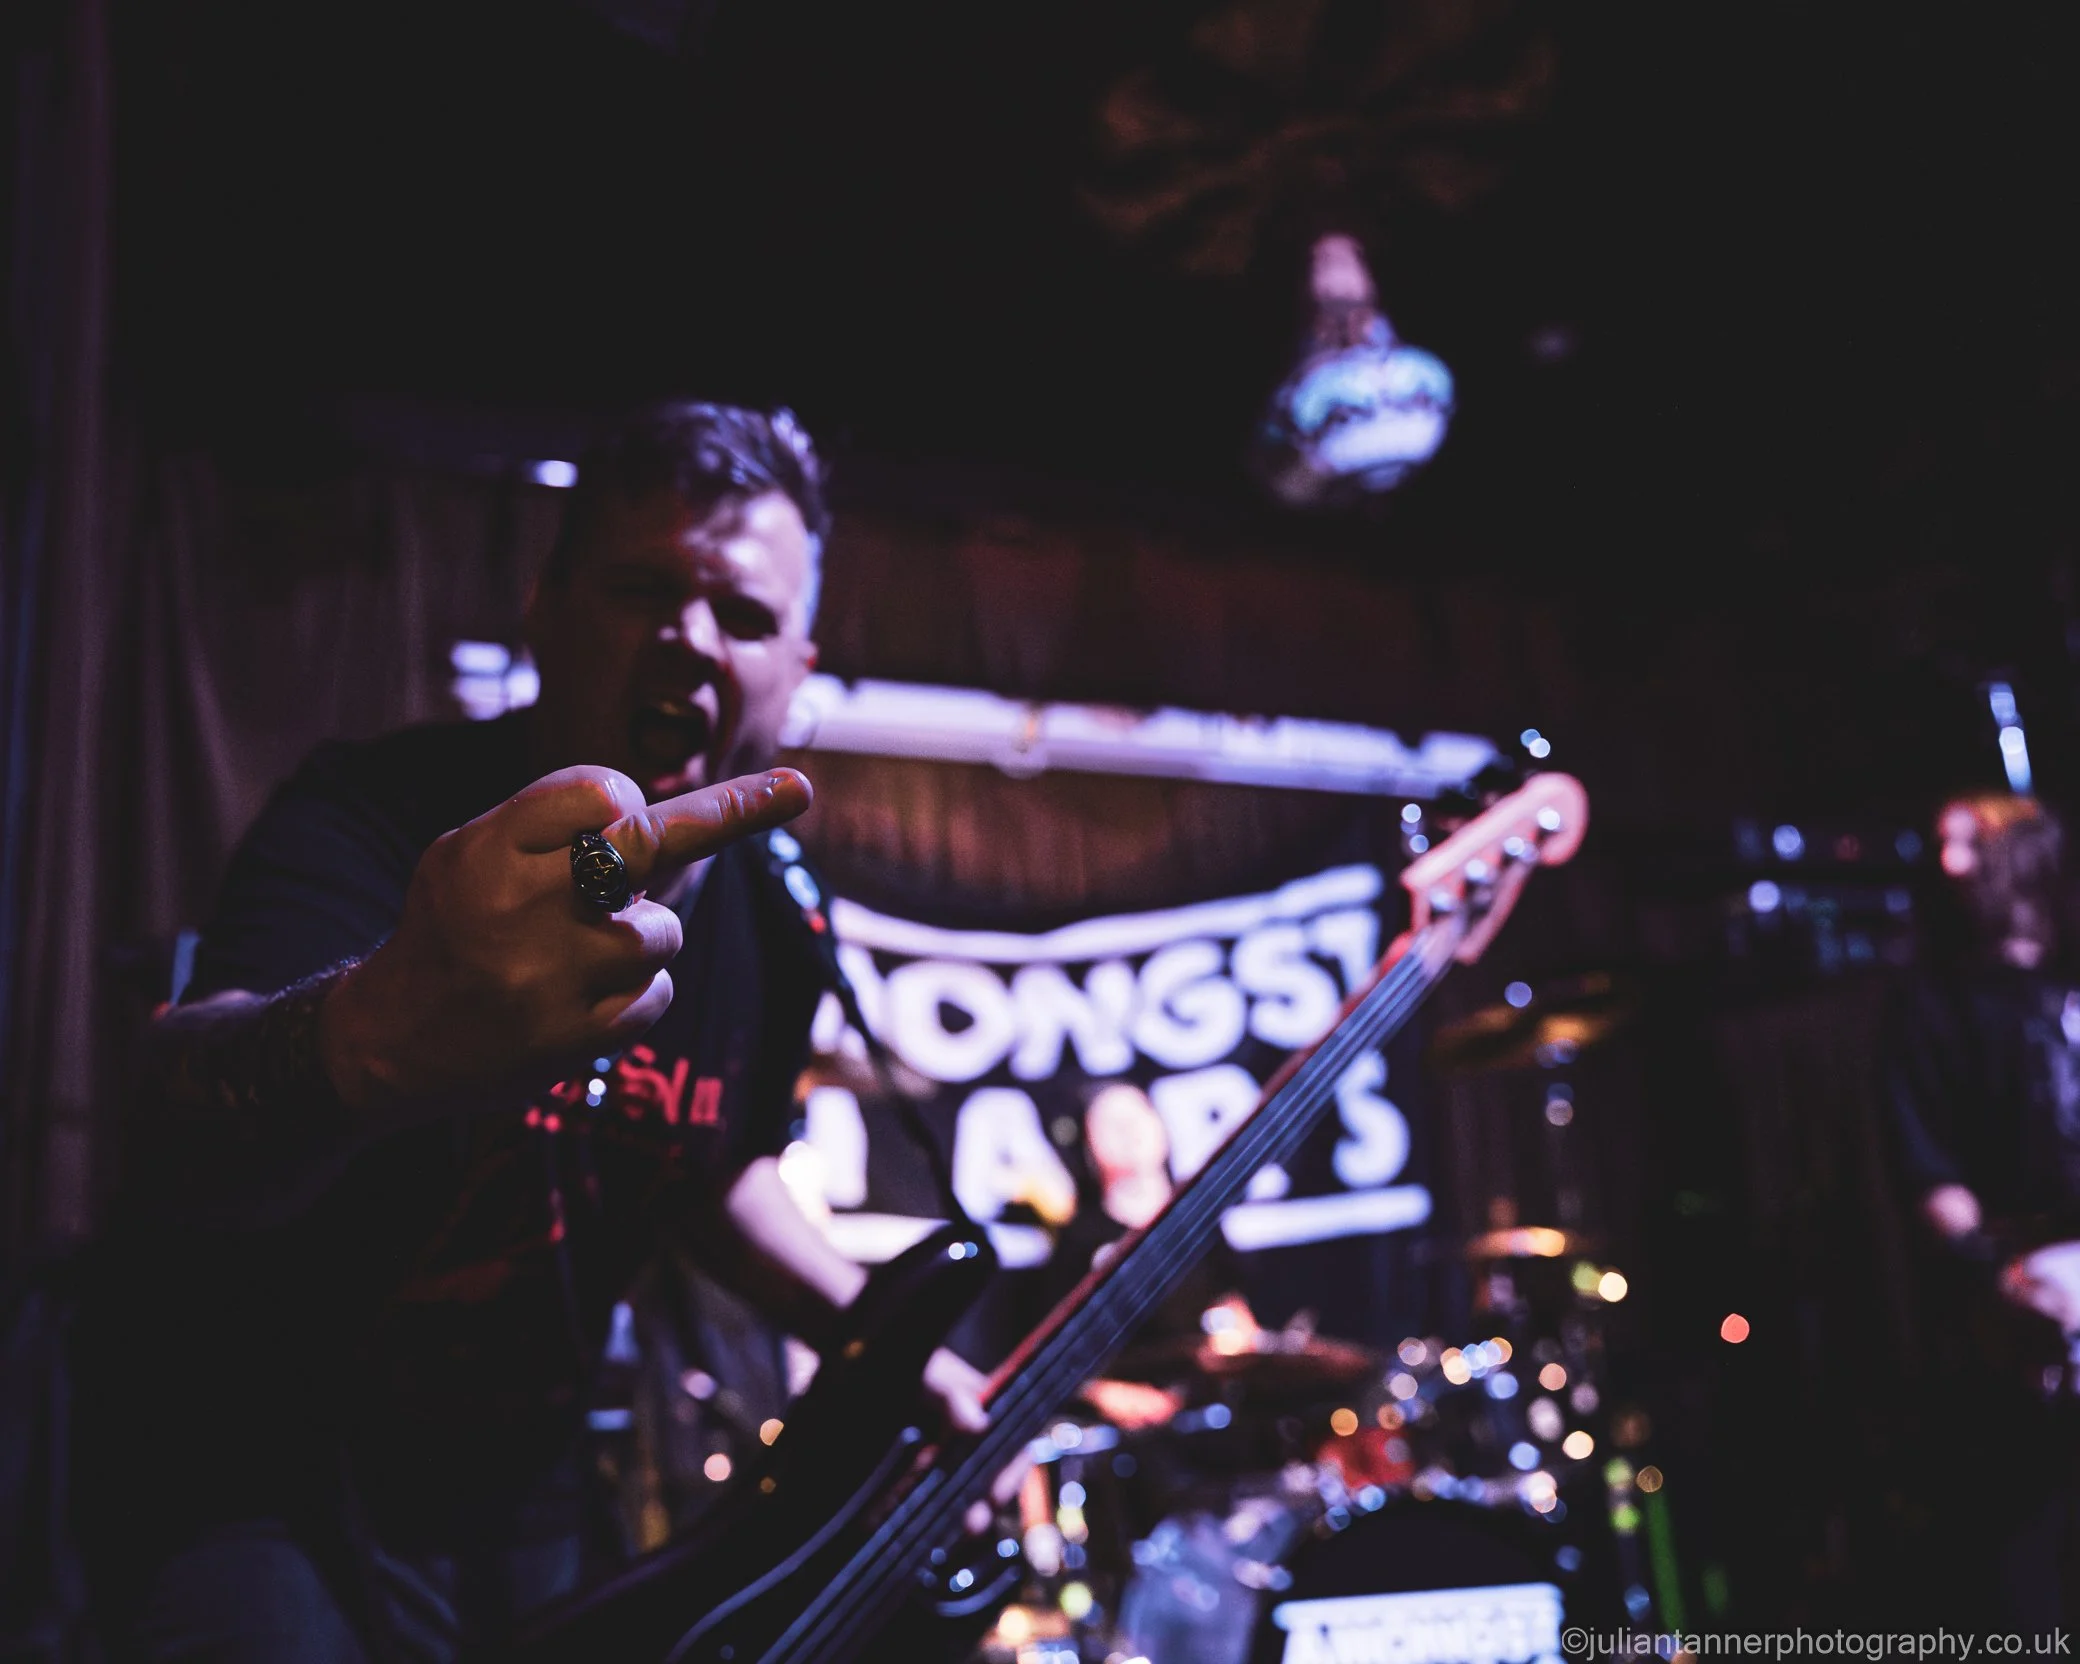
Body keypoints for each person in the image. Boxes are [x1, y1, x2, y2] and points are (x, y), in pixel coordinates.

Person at [79, 403, 992, 1662]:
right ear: (544, 607)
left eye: (742, 615)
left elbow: (712, 1165)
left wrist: (880, 1340)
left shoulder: (776, 916)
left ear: (798, 671)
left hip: (520, 1489)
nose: (686, 637)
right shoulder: (373, 814)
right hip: (259, 1467)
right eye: (638, 588)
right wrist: (369, 1026)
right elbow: (184, 1078)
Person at [1886, 790, 2080, 1624]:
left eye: (1971, 843)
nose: (1950, 864)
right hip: (2024, 1279)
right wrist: (2002, 1274)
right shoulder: (1932, 1003)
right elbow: (1932, 1174)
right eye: (1942, 846)